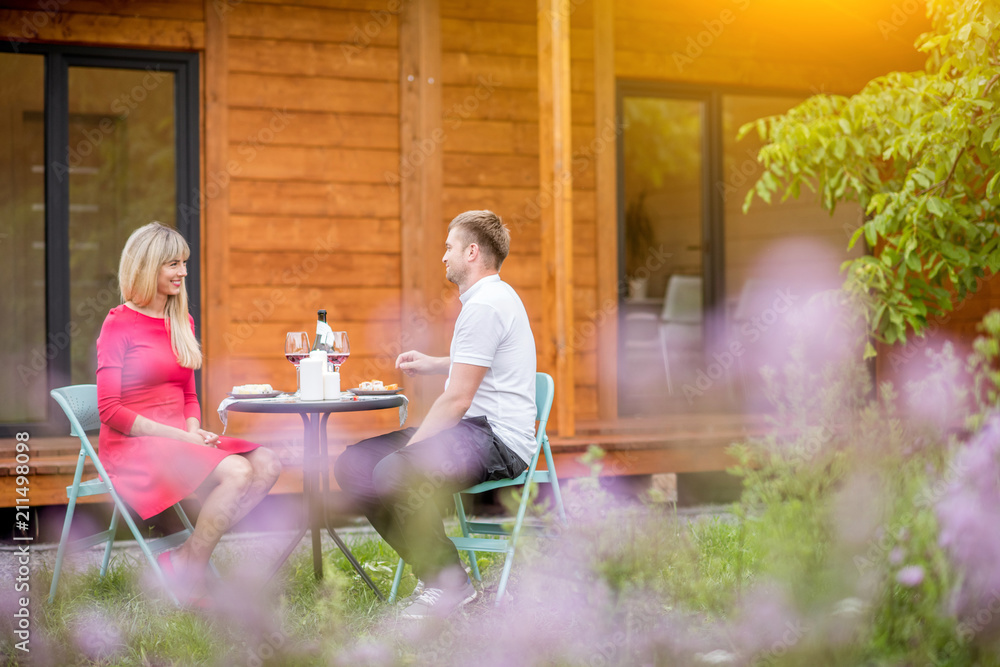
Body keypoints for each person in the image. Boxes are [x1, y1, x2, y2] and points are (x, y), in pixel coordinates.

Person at [334, 210, 537, 619]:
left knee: (396, 471)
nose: (442, 257)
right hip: (472, 430)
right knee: (354, 465)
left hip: (498, 439)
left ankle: (447, 585)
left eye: (449, 247)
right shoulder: (490, 299)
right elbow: (481, 363)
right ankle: (443, 578)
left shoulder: (486, 306)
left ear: (472, 252)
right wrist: (437, 363)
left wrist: (414, 450)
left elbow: (458, 399)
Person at [96, 221, 281, 606]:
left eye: (184, 263)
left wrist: (193, 429)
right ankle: (192, 573)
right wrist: (181, 437)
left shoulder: (181, 321)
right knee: (237, 471)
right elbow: (110, 410)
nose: (183, 272)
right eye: (172, 264)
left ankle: (185, 558)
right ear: (146, 267)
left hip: (180, 438)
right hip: (135, 446)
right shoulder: (118, 324)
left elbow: (187, 393)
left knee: (267, 464)